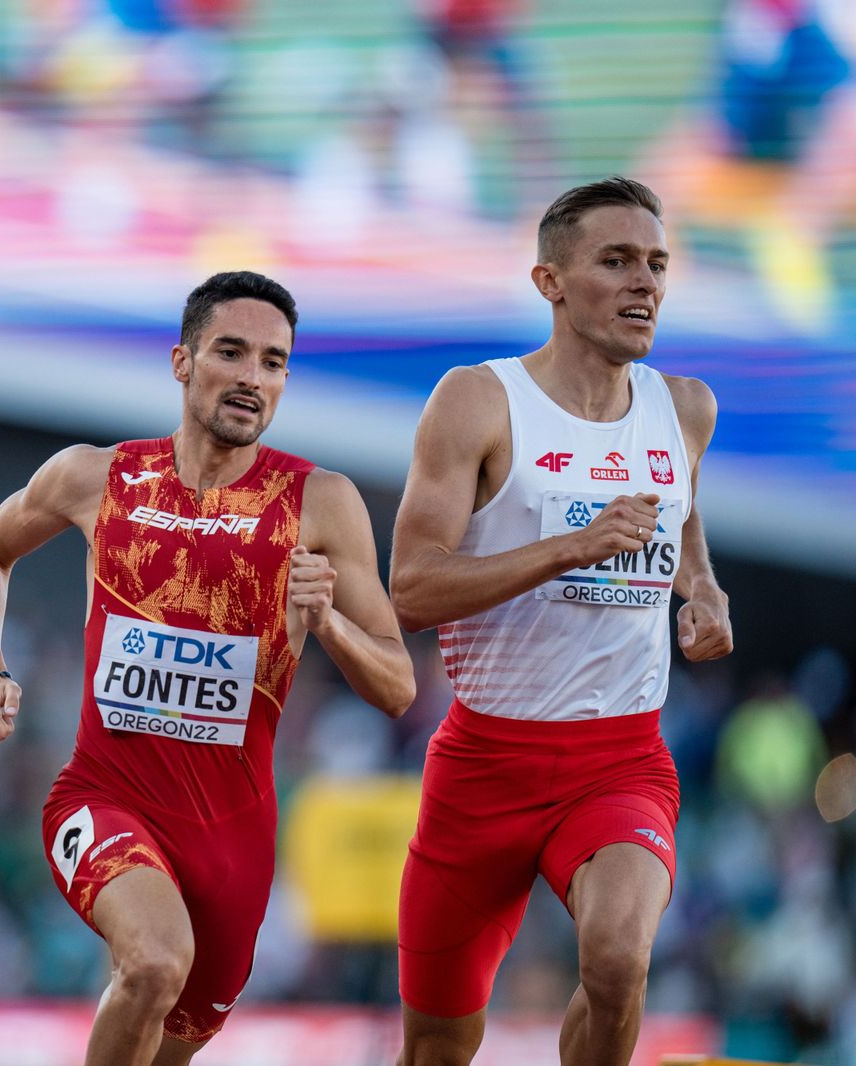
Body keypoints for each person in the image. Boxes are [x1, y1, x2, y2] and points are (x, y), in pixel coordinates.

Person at [0, 271, 416, 1066]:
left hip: (233, 840)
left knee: (165, 1042)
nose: (251, 377)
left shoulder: (321, 503)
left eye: (273, 362)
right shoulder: (97, 476)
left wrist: (329, 619)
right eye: (231, 353)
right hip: (104, 797)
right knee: (155, 960)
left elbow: (397, 686)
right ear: (182, 361)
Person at [389, 177, 734, 1066]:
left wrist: (701, 589)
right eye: (615, 261)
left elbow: (682, 511)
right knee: (435, 1047)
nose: (643, 283)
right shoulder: (478, 401)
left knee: (618, 959)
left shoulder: (684, 407)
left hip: (618, 759)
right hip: (482, 766)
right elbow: (413, 591)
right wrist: (564, 549)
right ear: (550, 281)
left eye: (656, 264)